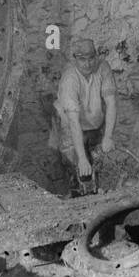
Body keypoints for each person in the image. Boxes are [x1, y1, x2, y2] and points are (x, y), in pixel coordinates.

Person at [51, 38, 117, 194]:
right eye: (82, 60)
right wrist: (81, 158)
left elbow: (111, 103)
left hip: (95, 125)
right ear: (75, 59)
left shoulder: (103, 67)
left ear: (96, 56)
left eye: (91, 59)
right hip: (70, 127)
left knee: (97, 165)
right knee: (80, 172)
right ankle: (79, 201)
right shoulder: (70, 79)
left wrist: (108, 136)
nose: (88, 64)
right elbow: (73, 123)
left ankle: (96, 196)